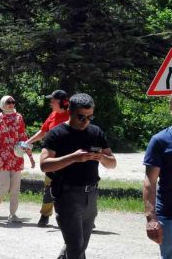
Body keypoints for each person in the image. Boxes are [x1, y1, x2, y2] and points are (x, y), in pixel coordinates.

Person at [40, 93, 116, 259]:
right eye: (81, 117)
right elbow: (44, 164)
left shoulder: (96, 132)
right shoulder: (56, 134)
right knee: (76, 248)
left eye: (90, 117)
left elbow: (113, 163)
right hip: (67, 195)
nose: (86, 121)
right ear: (70, 112)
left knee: (80, 244)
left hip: (91, 195)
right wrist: (73, 157)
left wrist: (102, 157)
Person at [27, 89, 72, 227]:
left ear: (62, 102)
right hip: (52, 159)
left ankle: (81, 216)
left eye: (53, 100)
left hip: (70, 159)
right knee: (49, 187)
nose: (51, 102)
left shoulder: (73, 115)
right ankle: (45, 215)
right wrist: (29, 142)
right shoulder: (52, 115)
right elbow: (43, 131)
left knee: (73, 189)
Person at [0, 96, 35, 223]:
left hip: (17, 156)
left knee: (15, 188)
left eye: (13, 102)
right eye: (8, 102)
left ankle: (12, 214)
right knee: (4, 186)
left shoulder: (19, 117)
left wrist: (30, 157)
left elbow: (23, 137)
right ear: (3, 104)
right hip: (2, 157)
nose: (11, 104)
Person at [143, 93, 172, 259]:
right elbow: (150, 181)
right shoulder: (160, 140)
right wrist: (151, 217)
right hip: (170, 217)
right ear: (171, 108)